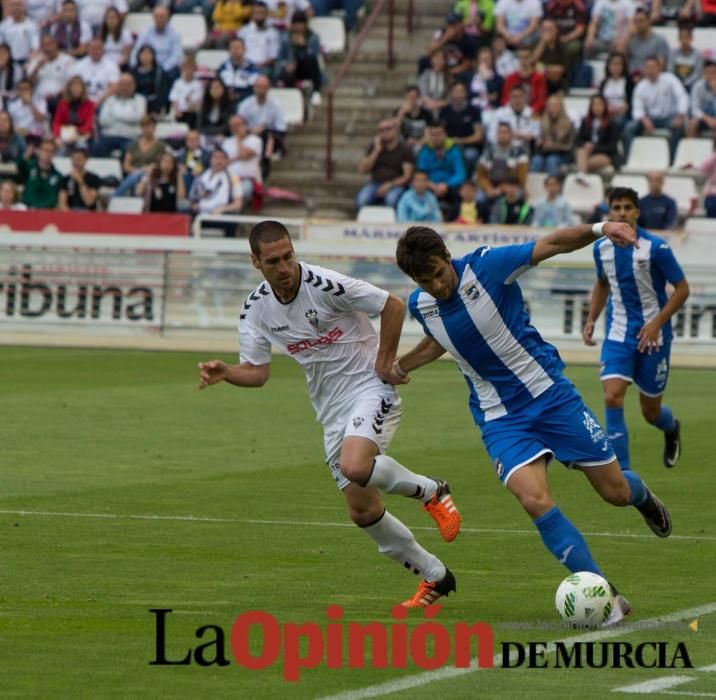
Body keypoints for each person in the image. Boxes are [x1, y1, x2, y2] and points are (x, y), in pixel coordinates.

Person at [393, 221, 675, 625]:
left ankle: (642, 496)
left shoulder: (489, 266)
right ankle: (604, 593)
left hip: (552, 399)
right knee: (534, 499)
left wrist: (601, 227)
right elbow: (440, 338)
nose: (437, 285)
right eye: (425, 279)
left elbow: (554, 243)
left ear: (447, 258)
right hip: (500, 419)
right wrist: (401, 366)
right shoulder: (422, 305)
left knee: (613, 492)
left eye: (439, 272)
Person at [198, 220, 462, 607]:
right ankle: (435, 576)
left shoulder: (324, 284)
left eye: (288, 256)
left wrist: (385, 361)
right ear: (256, 262)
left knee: (356, 466)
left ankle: (431, 490)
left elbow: (392, 304)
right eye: (274, 261)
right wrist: (227, 374)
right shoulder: (255, 309)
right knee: (363, 509)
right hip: (332, 409)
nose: (285, 267)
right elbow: (257, 373)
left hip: (371, 389)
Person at [583, 187, 689, 472]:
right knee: (612, 396)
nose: (621, 213)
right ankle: (625, 475)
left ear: (637, 212)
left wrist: (656, 324)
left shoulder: (656, 247)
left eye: (627, 207)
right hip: (618, 335)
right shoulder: (600, 247)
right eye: (616, 207)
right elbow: (603, 283)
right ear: (609, 212)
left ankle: (671, 427)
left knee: (651, 412)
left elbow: (682, 289)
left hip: (653, 338)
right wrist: (592, 318)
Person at [623, 56, 689, 160]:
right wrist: (644, 119)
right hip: (650, 119)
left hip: (669, 118)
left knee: (678, 127)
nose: (650, 70)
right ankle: (628, 159)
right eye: (647, 67)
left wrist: (681, 115)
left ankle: (672, 160)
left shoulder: (670, 79)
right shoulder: (641, 86)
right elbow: (637, 108)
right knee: (629, 128)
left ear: (659, 68)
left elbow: (682, 96)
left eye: (653, 67)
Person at [356, 118, 415, 211]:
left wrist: (390, 185)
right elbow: (362, 169)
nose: (384, 132)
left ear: (396, 130)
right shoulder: (375, 146)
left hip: (396, 185)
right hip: (375, 184)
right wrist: (377, 150)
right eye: (381, 130)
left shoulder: (405, 149)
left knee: (391, 201)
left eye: (388, 128)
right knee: (362, 199)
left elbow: (407, 176)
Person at [529, 94, 575, 177]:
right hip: (544, 153)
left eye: (555, 106)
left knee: (552, 160)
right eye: (550, 106)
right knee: (536, 160)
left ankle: (553, 186)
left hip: (562, 154)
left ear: (561, 108)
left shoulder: (569, 124)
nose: (552, 109)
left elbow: (571, 146)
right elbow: (538, 142)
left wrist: (555, 146)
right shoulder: (543, 122)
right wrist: (540, 143)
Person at [575, 94, 622, 173]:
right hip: (587, 154)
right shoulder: (585, 121)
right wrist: (586, 144)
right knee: (581, 151)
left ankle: (581, 176)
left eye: (599, 104)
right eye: (594, 105)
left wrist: (594, 147)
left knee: (585, 164)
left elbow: (612, 146)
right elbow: (578, 140)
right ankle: (583, 178)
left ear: (604, 106)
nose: (597, 108)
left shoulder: (612, 123)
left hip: (605, 155)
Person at [18, 138, 63, 208]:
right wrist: (27, 154)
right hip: (27, 209)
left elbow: (54, 199)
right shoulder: (29, 167)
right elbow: (19, 165)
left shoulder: (58, 176)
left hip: (46, 212)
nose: (48, 154)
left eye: (51, 151)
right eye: (45, 150)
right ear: (39, 151)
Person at [626, 8, 670, 77]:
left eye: (641, 20)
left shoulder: (659, 40)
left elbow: (661, 66)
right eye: (636, 21)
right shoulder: (632, 41)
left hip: (651, 80)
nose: (638, 24)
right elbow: (620, 60)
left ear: (649, 21)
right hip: (632, 79)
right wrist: (628, 35)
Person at [58, 145, 100, 210]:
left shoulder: (94, 178)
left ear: (85, 160)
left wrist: (80, 181)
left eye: (79, 159)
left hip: (88, 214)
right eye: (73, 159)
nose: (76, 162)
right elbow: (62, 204)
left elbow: (89, 201)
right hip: (70, 214)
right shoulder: (65, 179)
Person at [669, 24, 703, 93]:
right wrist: (678, 83)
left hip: (692, 86)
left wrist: (686, 83)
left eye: (686, 37)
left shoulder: (698, 55)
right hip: (675, 86)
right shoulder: (673, 53)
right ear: (678, 39)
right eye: (682, 37)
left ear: (691, 38)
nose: (684, 40)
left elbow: (697, 73)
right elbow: (670, 70)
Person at [687, 61, 716, 138]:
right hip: (703, 119)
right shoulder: (697, 86)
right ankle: (691, 148)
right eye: (707, 72)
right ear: (703, 73)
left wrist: (714, 92)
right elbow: (695, 109)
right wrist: (708, 119)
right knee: (692, 123)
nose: (710, 75)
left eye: (713, 72)